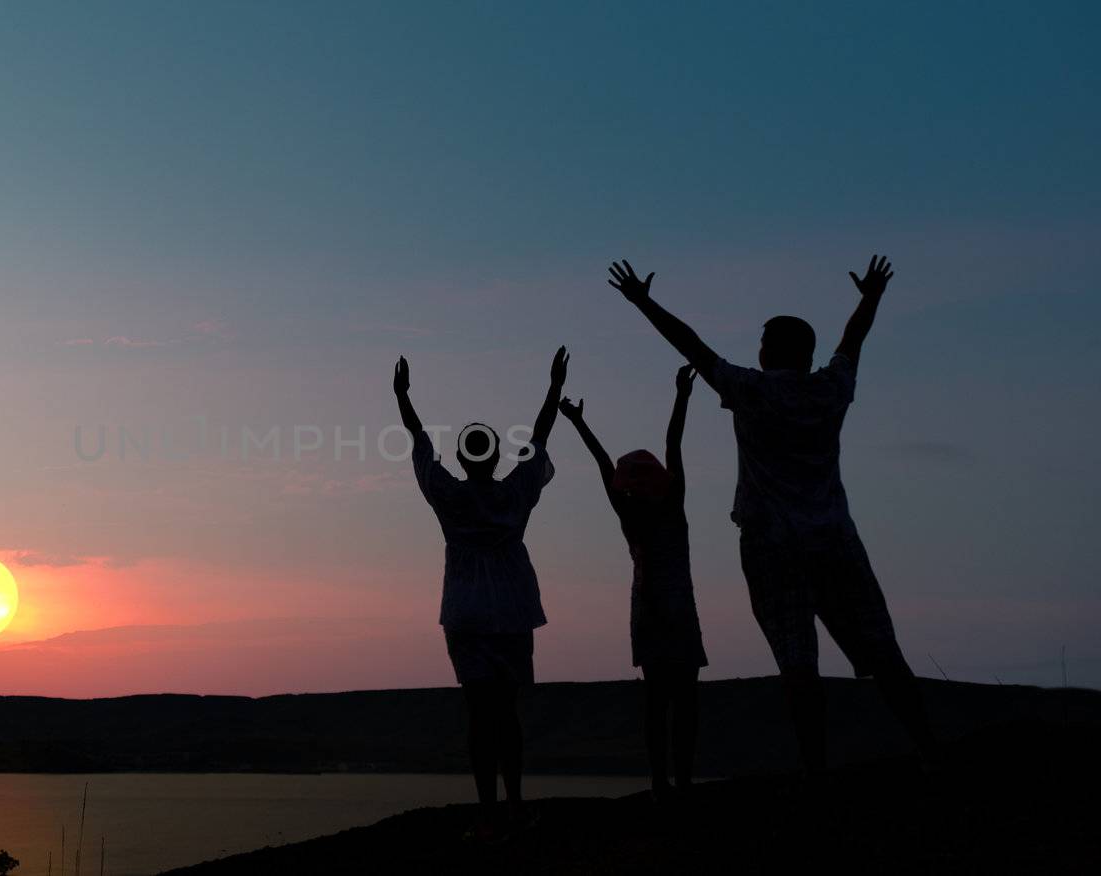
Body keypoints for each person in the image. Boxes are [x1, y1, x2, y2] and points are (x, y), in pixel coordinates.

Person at [607, 255, 935, 776]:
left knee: (797, 661)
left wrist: (644, 302)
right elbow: (853, 342)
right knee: (882, 650)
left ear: (771, 351)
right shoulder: (830, 390)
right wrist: (870, 297)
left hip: (771, 545)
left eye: (762, 343)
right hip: (834, 537)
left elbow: (691, 346)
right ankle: (930, 749)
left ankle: (815, 772)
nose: (756, 350)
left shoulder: (750, 390)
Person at [393, 346, 565, 840]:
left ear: (466, 459)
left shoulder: (447, 496)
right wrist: (553, 388)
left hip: (466, 614)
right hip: (511, 611)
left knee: (478, 714)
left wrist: (403, 397)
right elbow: (539, 436)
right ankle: (513, 807)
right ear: (492, 456)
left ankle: (488, 812)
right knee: (507, 714)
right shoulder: (516, 494)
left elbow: (420, 442)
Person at [560, 364, 707, 799]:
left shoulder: (629, 513)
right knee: (684, 702)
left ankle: (662, 780)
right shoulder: (672, 506)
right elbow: (673, 444)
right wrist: (681, 396)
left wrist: (579, 422)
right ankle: (679, 779)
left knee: (656, 702)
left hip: (647, 607)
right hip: (678, 607)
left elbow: (603, 462)